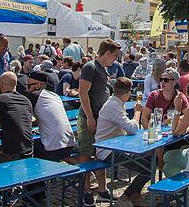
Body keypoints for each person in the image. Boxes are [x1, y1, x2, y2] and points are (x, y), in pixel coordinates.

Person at [77, 38, 120, 206]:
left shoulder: (102, 68)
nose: (115, 59)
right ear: (107, 53)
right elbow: (83, 93)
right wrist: (90, 117)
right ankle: (86, 190)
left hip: (99, 118)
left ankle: (102, 189)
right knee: (86, 153)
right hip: (90, 118)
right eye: (114, 56)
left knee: (100, 153)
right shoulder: (90, 67)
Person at [95, 77, 145, 207]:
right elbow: (132, 128)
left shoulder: (115, 102)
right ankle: (125, 198)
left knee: (149, 162)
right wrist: (137, 112)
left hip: (116, 146)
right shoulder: (114, 106)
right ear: (128, 93)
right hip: (107, 150)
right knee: (148, 169)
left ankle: (134, 195)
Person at [24, 71, 76, 161]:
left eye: (28, 86)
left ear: (38, 85)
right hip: (69, 141)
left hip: (53, 146)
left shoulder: (34, 95)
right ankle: (84, 172)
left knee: (26, 153)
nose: (27, 89)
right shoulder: (54, 95)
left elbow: (22, 117)